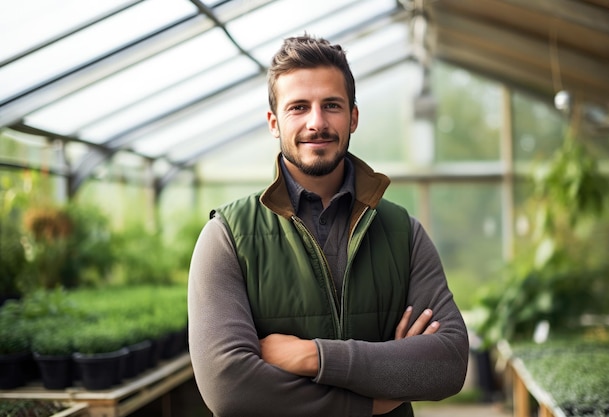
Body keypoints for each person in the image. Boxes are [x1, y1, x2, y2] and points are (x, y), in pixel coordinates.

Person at [188, 34, 469, 417]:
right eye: (298, 107)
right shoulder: (228, 237)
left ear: (353, 116)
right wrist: (374, 397)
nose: (316, 122)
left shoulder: (402, 233)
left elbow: (448, 363)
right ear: (274, 122)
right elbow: (229, 387)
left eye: (331, 105)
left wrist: (311, 356)